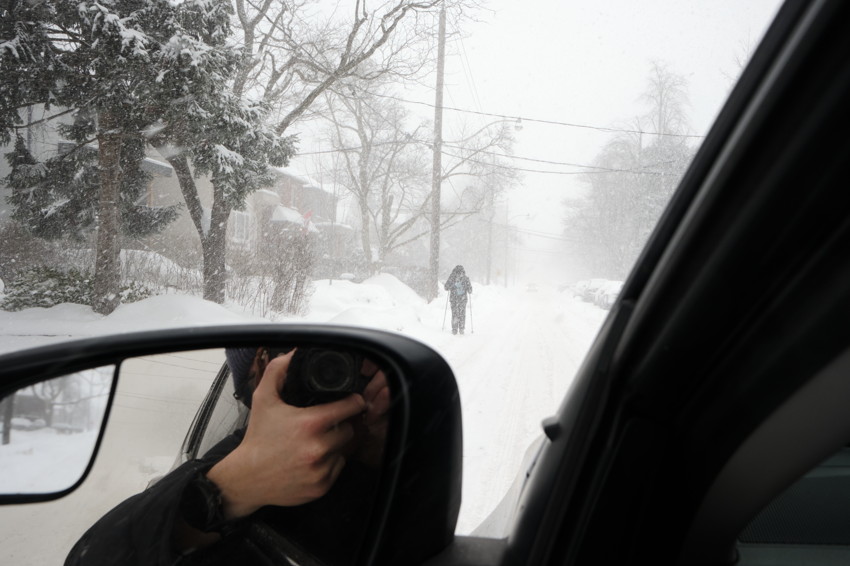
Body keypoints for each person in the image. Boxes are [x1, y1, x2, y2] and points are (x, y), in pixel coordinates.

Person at [65, 346, 390, 566]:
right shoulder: (232, 453)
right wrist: (229, 487)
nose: (325, 378)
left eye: (340, 367)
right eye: (301, 365)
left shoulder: (395, 439)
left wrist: (382, 448)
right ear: (265, 369)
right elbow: (94, 555)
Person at [444, 265, 472, 335]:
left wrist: (451, 285)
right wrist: (468, 287)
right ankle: (461, 329)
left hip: (454, 299)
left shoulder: (452, 278)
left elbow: (446, 287)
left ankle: (454, 329)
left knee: (454, 314)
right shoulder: (465, 278)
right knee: (462, 314)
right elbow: (470, 290)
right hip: (462, 299)